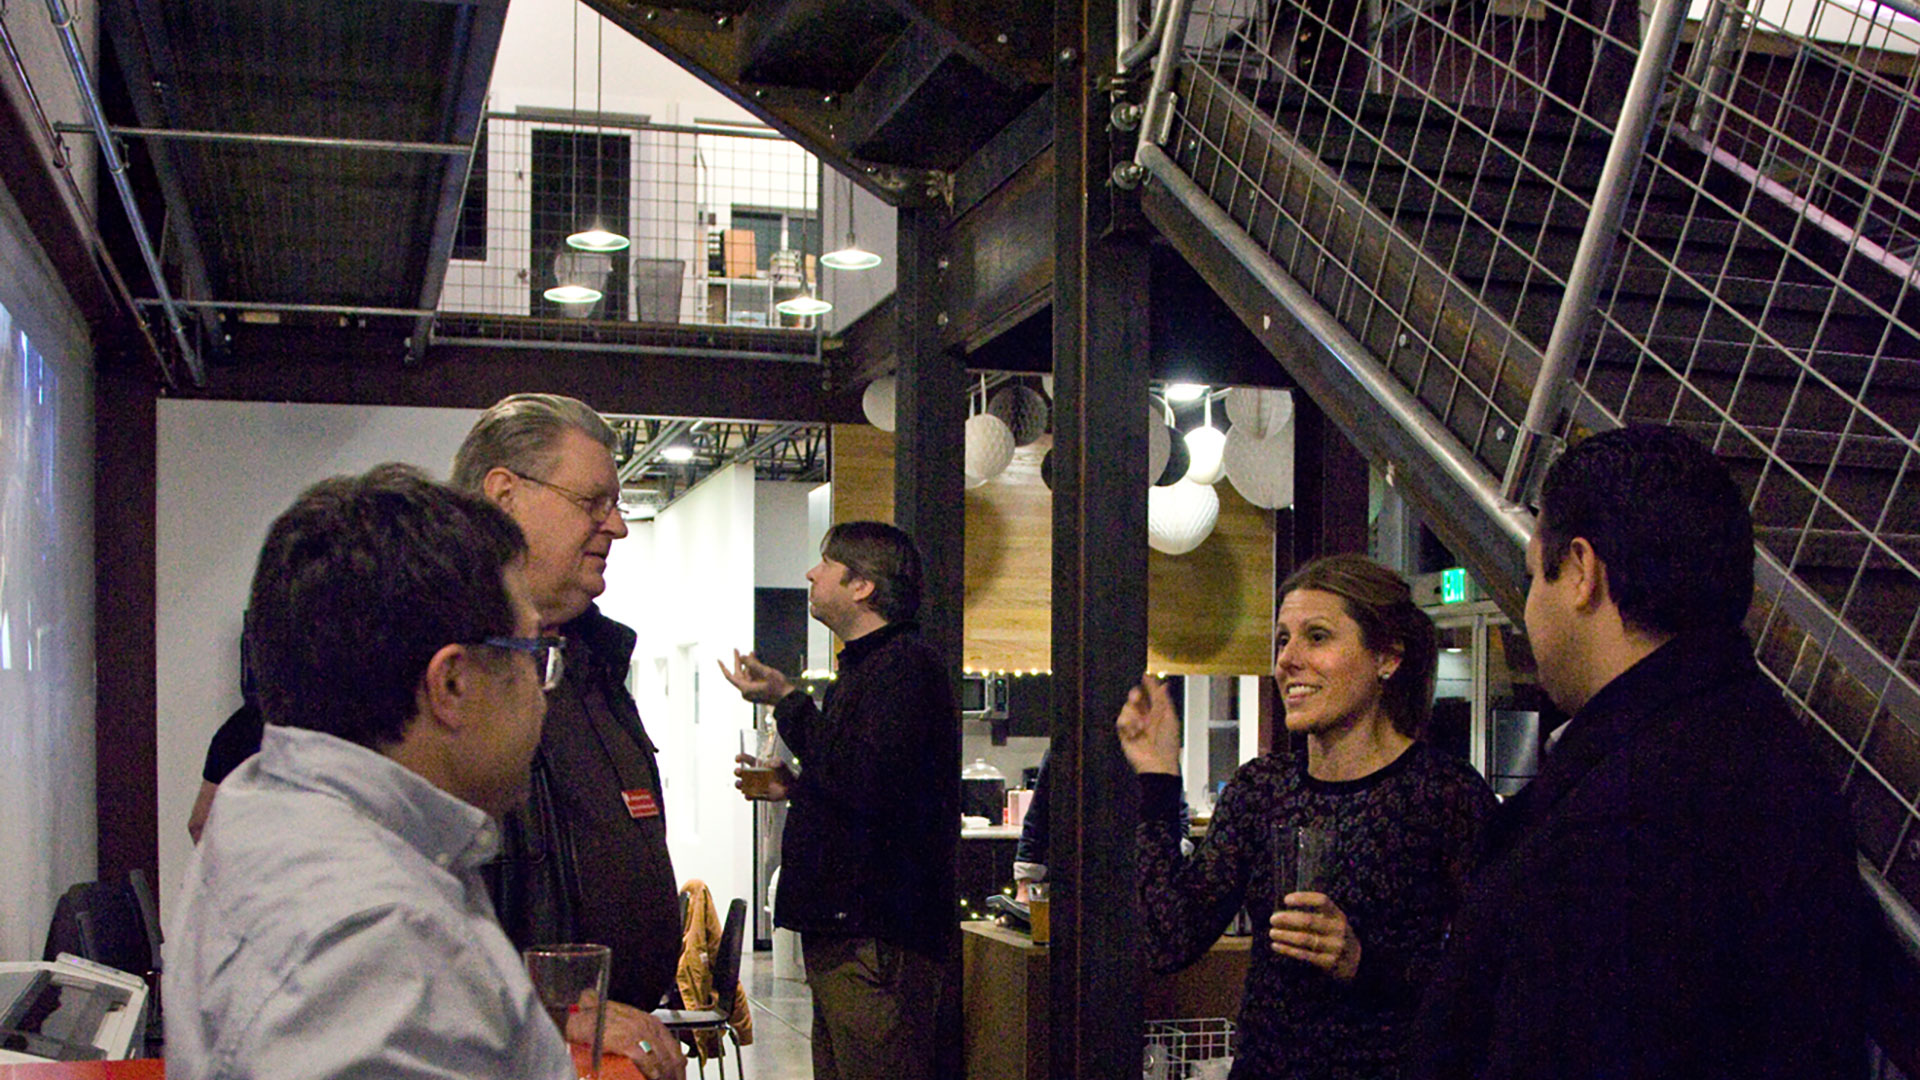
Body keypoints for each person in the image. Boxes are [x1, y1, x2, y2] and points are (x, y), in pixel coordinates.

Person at [1408, 424, 1865, 1079]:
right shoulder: (1764, 751)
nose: (1528, 610)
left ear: (1583, 574)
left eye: (1537, 574)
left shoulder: (1623, 819)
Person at [166, 465, 574, 1080]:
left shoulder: (274, 805)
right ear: (453, 684)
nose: (543, 695)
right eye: (533, 654)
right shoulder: (375, 950)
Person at [1117, 553, 1496, 1080]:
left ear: (1386, 657)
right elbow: (1169, 938)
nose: (1287, 660)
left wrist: (1364, 964)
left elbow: (1493, 982)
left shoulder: (1443, 794)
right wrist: (1157, 778)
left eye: (1316, 637)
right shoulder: (1261, 788)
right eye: (1281, 640)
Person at [453, 393, 685, 1080]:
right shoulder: (447, 674)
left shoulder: (596, 663)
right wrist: (548, 1008)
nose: (616, 526)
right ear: (504, 495)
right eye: (593, 502)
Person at [718, 521, 958, 1080]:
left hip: (874, 934)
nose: (810, 572)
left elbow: (867, 777)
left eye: (826, 562)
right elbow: (869, 787)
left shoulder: (904, 667)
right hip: (853, 931)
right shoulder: (870, 667)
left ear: (862, 586)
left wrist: (786, 700)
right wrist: (796, 787)